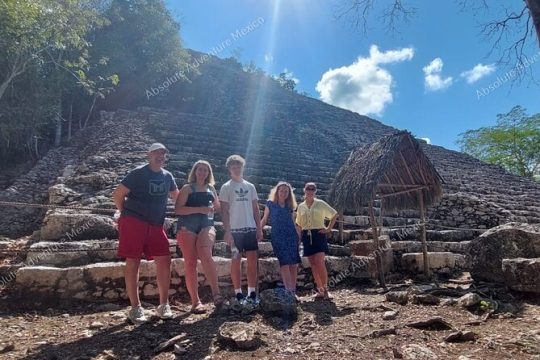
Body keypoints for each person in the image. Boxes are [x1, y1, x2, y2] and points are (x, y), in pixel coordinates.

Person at [112, 143, 179, 324]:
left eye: (163, 153)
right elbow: (118, 194)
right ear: (148, 155)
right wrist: (125, 214)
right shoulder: (138, 173)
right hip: (135, 222)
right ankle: (135, 307)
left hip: (156, 225)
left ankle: (163, 304)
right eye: (157, 153)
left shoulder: (168, 176)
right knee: (133, 261)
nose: (160, 156)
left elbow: (178, 198)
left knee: (165, 259)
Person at [175, 160, 223, 313]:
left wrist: (209, 210)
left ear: (209, 173)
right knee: (190, 263)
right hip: (187, 227)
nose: (202, 172)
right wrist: (199, 209)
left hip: (206, 225)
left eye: (205, 170)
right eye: (200, 169)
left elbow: (217, 207)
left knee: (206, 254)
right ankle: (195, 301)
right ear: (195, 171)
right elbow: (178, 209)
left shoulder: (211, 188)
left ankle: (217, 294)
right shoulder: (187, 188)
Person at [219, 155, 263, 305]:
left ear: (243, 168)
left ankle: (251, 292)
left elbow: (256, 209)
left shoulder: (250, 186)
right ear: (229, 169)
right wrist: (227, 231)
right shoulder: (226, 187)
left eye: (239, 167)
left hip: (250, 228)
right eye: (233, 167)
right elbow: (224, 211)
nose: (236, 169)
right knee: (236, 259)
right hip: (235, 230)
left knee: (252, 260)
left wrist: (259, 228)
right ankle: (238, 292)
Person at [295, 182, 338, 300]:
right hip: (306, 236)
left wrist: (328, 228)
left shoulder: (320, 204)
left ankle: (326, 290)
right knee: (313, 264)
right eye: (308, 189)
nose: (310, 191)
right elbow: (298, 224)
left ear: (315, 191)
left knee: (320, 262)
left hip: (318, 234)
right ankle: (319, 290)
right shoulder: (301, 206)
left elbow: (334, 214)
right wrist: (298, 239)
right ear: (304, 190)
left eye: (312, 189)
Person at [261, 181, 301, 295]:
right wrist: (258, 231)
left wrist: (298, 236)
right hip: (278, 236)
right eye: (281, 190)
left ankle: (293, 290)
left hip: (291, 235)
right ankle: (288, 290)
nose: (283, 193)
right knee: (284, 262)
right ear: (277, 191)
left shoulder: (290, 206)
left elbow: (293, 222)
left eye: (286, 191)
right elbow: (264, 219)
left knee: (293, 263)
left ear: (289, 193)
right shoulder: (270, 203)